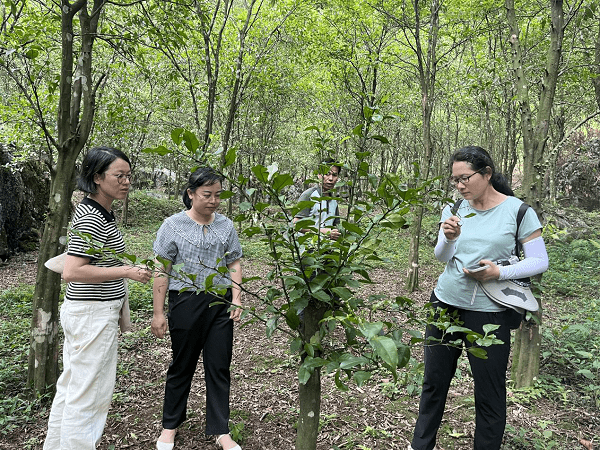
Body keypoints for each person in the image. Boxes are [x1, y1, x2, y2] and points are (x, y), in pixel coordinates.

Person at [409, 146, 549, 450]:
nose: (459, 186)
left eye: (465, 178)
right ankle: (420, 445)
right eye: (455, 180)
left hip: (491, 314)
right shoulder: (455, 208)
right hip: (445, 304)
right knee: (434, 384)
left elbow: (539, 260)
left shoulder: (518, 211)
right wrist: (449, 239)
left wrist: (498, 272)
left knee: (489, 391)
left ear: (486, 174)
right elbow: (441, 256)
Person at [44, 146, 152, 450]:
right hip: (91, 315)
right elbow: (72, 271)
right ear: (97, 178)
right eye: (119, 175)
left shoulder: (98, 212)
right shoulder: (91, 217)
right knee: (89, 397)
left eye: (128, 175)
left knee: (72, 388)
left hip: (87, 313)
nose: (126, 181)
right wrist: (127, 271)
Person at [152, 167, 243, 450]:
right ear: (191, 193)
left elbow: (234, 262)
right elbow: (161, 267)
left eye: (218, 195)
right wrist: (158, 312)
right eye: (207, 194)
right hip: (185, 302)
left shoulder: (226, 226)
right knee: (182, 365)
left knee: (219, 365)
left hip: (219, 302)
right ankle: (170, 426)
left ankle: (220, 429)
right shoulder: (172, 225)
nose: (214, 200)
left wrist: (237, 297)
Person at [293, 157, 342, 240]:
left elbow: (336, 225)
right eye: (327, 174)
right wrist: (322, 232)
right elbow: (296, 224)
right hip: (307, 248)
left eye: (334, 175)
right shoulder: (308, 195)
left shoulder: (334, 200)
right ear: (319, 175)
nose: (330, 179)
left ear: (337, 178)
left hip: (327, 248)